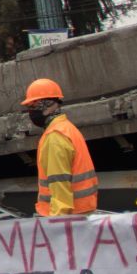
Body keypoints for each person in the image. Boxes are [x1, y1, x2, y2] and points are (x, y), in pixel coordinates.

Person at [22, 78, 98, 216]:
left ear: (50, 104)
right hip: (82, 212)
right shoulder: (67, 128)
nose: (31, 111)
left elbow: (60, 186)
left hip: (69, 218)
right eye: (30, 107)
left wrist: (57, 226)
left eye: (34, 105)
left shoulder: (55, 136)